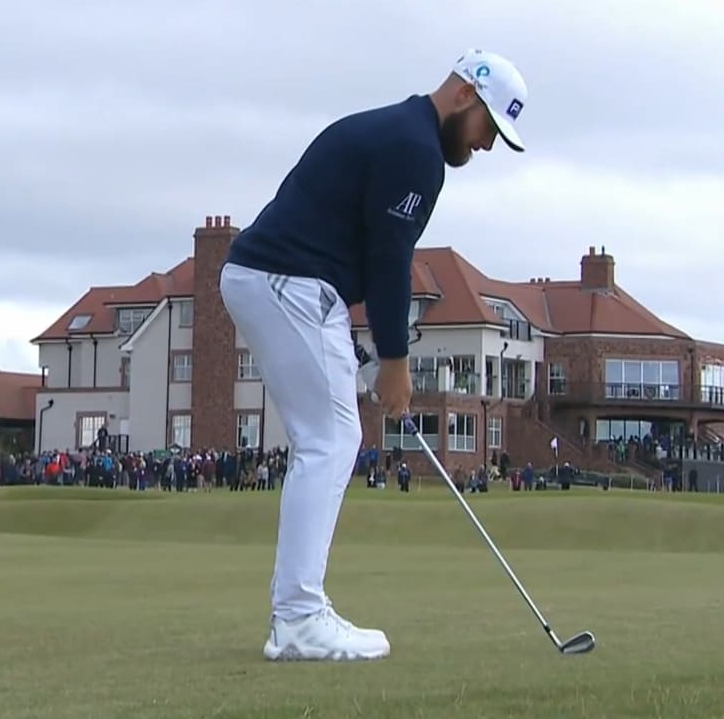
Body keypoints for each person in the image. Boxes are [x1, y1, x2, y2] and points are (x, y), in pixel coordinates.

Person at [219, 49, 529, 661]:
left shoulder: (393, 131)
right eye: (489, 127)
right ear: (465, 95)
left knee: (329, 438)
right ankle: (299, 617)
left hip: (285, 282)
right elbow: (390, 259)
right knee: (331, 440)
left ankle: (299, 613)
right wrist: (394, 360)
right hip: (290, 282)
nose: (488, 145)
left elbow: (361, 246)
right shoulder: (415, 151)